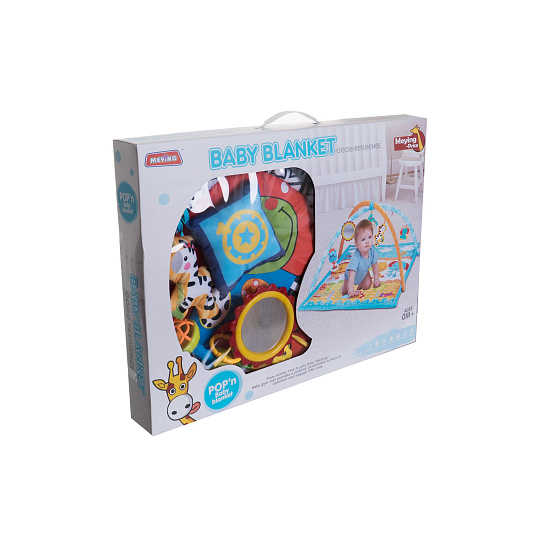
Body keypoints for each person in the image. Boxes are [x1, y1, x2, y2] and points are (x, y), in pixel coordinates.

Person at [341, 219, 381, 298]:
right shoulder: (356, 257)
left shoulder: (372, 252)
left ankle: (362, 280)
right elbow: (351, 275)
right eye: (363, 239)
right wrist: (351, 290)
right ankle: (345, 286)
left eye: (369, 237)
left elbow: (375, 266)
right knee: (344, 292)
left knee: (367, 286)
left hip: (363, 272)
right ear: (356, 245)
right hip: (350, 276)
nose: (367, 241)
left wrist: (376, 279)